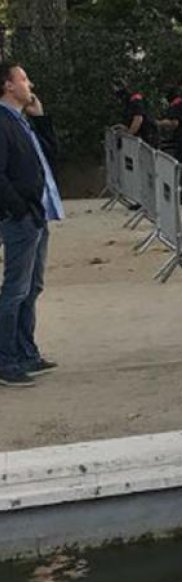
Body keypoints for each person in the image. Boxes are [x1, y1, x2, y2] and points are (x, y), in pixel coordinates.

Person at [0, 62, 63, 387]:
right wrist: (19, 209)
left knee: (32, 287)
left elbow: (50, 158)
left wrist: (41, 119)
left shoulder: (22, 121)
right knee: (15, 289)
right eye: (23, 79)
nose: (30, 84)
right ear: (8, 86)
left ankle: (26, 351)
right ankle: (6, 360)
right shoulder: (3, 122)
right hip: (22, 218)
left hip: (37, 214)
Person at [112, 80, 158, 147]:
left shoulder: (135, 99)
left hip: (147, 136)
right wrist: (125, 128)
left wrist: (128, 135)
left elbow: (138, 119)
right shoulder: (129, 102)